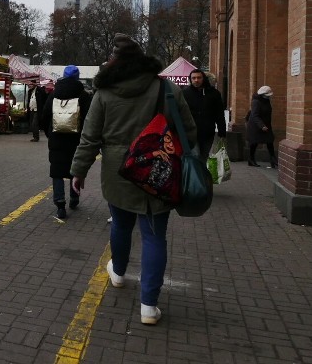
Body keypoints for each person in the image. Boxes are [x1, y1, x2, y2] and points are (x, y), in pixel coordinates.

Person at [70, 33, 196, 325]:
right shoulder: (164, 89)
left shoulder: (104, 93)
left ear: (114, 63)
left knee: (121, 225)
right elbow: (187, 131)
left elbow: (89, 137)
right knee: (154, 236)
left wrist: (79, 170)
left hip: (118, 170)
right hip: (159, 170)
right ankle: (149, 307)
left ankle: (118, 272)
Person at [41, 65, 92, 219]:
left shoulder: (54, 93)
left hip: (56, 139)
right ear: (77, 77)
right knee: (74, 169)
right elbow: (90, 118)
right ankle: (74, 198)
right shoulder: (83, 95)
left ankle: (60, 204)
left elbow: (44, 116)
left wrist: (49, 133)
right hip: (76, 140)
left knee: (57, 172)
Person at [182, 68, 226, 159]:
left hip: (208, 132)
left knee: (204, 156)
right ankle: (197, 173)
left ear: (204, 78)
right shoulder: (185, 93)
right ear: (190, 79)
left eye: (199, 77)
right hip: (191, 132)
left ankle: (202, 173)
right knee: (195, 155)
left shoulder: (214, 93)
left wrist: (222, 131)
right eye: (193, 78)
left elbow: (219, 113)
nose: (196, 80)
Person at [246, 85, 277, 168]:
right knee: (254, 143)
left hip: (266, 125)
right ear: (262, 94)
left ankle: (273, 159)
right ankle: (251, 159)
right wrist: (261, 125)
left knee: (270, 141)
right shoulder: (255, 102)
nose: (269, 97)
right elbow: (254, 115)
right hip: (256, 126)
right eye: (267, 95)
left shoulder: (266, 101)